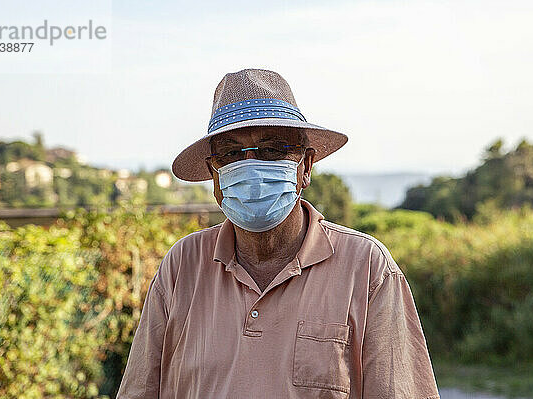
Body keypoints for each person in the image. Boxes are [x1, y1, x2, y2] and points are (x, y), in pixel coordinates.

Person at [117, 68, 440, 398]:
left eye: (272, 149)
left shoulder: (367, 267)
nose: (251, 167)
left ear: (306, 166)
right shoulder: (182, 265)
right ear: (215, 175)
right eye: (231, 154)